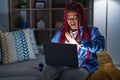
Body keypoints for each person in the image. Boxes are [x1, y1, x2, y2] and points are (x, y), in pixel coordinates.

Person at [41, 2, 105, 80]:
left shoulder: (92, 30)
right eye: (68, 18)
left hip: (84, 65)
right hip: (62, 63)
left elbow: (101, 47)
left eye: (74, 18)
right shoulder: (62, 31)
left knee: (72, 76)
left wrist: (79, 43)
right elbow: (53, 48)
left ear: (81, 17)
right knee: (46, 72)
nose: (71, 21)